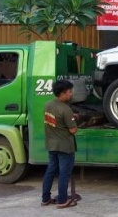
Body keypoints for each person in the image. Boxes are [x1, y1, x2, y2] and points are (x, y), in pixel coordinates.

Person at [41, 80, 78, 208]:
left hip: (51, 144)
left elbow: (56, 120)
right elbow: (73, 130)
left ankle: (45, 199)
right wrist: (73, 121)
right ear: (62, 94)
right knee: (64, 174)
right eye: (69, 92)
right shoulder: (66, 109)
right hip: (65, 147)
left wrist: (70, 117)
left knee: (50, 171)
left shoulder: (47, 105)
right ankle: (62, 200)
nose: (71, 94)